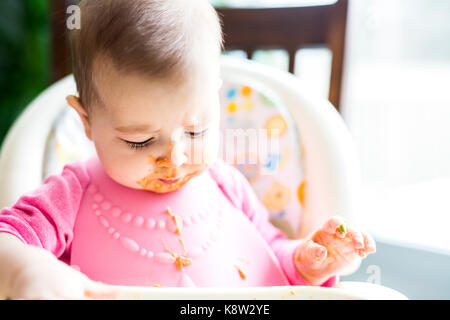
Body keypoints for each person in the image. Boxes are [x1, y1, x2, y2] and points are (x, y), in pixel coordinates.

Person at [0, 0, 375, 299]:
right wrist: (26, 268)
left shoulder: (227, 184)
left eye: (196, 131)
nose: (174, 158)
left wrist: (306, 263)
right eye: (139, 141)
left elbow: (268, 257)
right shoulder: (68, 196)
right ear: (86, 122)